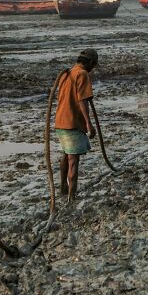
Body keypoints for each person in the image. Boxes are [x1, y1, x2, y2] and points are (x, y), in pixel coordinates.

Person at [55, 48, 98, 202]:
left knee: (66, 155)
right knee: (73, 160)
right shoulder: (82, 74)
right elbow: (82, 101)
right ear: (91, 63)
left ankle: (63, 188)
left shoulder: (67, 73)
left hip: (60, 120)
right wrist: (88, 123)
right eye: (93, 66)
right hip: (72, 122)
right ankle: (72, 197)